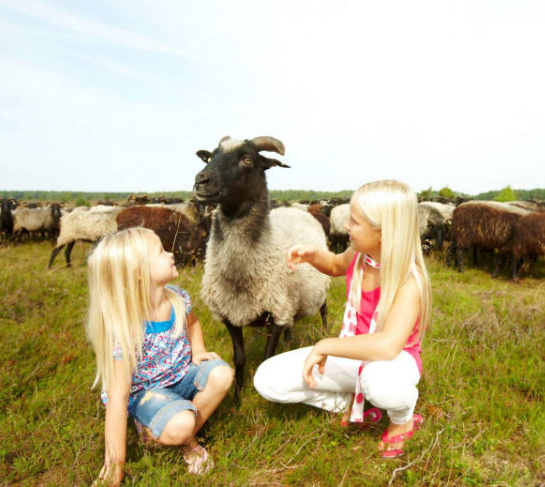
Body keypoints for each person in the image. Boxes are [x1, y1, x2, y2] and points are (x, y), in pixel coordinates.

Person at [254, 180, 431, 458]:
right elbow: (336, 265)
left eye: (355, 221)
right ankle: (352, 402)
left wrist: (325, 346)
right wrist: (313, 256)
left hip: (392, 362)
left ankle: (402, 418)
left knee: (382, 384)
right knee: (267, 379)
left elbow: (387, 346)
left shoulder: (409, 280)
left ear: (383, 231)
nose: (346, 225)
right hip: (352, 354)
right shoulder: (360, 255)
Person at [87, 227, 234, 485]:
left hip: (181, 375)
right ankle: (184, 437)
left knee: (222, 373)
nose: (170, 254)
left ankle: (167, 432)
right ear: (139, 273)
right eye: (160, 251)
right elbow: (118, 398)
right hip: (147, 391)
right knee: (181, 425)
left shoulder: (177, 298)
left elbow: (193, 324)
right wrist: (114, 466)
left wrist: (198, 350)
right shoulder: (128, 329)